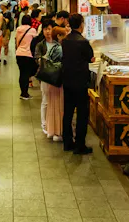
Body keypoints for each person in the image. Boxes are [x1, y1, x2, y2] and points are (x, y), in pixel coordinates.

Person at [60, 13, 94, 155]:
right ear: (81, 24)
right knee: (82, 114)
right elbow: (91, 59)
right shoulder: (83, 42)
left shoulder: (66, 40)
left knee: (67, 112)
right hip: (80, 82)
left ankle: (67, 143)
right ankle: (80, 145)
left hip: (67, 81)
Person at [38, 24, 64, 141]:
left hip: (50, 78)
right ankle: (57, 132)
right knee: (57, 106)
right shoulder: (59, 48)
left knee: (51, 104)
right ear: (58, 36)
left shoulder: (53, 47)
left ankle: (50, 130)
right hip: (57, 80)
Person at [13, 15, 39, 100]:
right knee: (27, 73)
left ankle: (23, 92)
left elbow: (16, 41)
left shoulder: (18, 29)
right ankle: (25, 94)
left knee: (22, 73)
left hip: (19, 54)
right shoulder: (32, 30)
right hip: (28, 54)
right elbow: (35, 42)